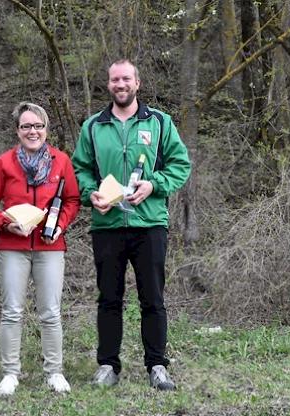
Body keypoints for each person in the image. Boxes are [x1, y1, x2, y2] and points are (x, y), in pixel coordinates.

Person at [71, 59, 191, 390]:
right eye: (114, 79)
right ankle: (108, 365)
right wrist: (89, 192)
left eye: (126, 79)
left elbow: (181, 165)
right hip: (107, 224)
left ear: (137, 82)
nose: (120, 84)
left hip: (149, 223)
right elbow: (79, 168)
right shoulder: (93, 126)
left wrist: (154, 184)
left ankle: (157, 365)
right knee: (109, 297)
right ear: (108, 85)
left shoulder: (160, 123)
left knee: (152, 297)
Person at [0, 102, 81, 396]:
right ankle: (11, 373)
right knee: (12, 310)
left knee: (50, 311)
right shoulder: (4, 163)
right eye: (26, 126)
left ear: (46, 129)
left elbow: (73, 200)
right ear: (17, 130)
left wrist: (59, 225)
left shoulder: (61, 161)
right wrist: (3, 223)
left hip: (50, 246)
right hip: (13, 246)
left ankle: (55, 372)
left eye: (38, 126)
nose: (32, 131)